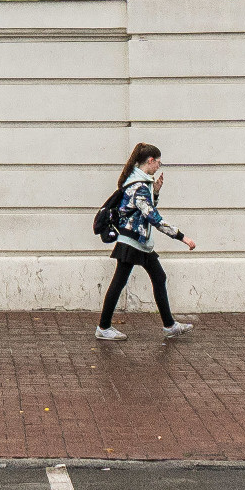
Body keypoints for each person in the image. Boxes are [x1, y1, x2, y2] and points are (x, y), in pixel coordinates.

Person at [98, 141, 196, 342]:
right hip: (132, 241)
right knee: (119, 282)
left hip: (137, 240)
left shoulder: (138, 182)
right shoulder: (139, 186)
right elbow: (152, 217)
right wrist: (181, 236)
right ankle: (103, 327)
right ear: (150, 161)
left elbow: (142, 211)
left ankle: (169, 325)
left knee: (158, 277)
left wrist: (156, 192)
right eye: (158, 162)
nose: (159, 166)